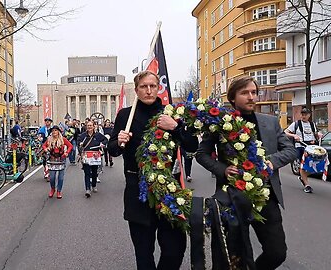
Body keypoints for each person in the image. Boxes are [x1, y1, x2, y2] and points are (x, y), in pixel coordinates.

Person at [196, 76, 296, 270]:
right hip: (231, 197)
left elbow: (290, 150)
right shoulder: (219, 123)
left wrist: (271, 162)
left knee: (277, 252)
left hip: (265, 197)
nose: (251, 97)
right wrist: (222, 169)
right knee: (234, 255)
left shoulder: (270, 122)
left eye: (253, 92)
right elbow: (202, 154)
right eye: (245, 93)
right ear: (232, 98)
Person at [107, 71, 187, 270]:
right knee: (144, 254)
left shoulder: (172, 112)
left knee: (174, 250)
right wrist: (120, 141)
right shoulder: (126, 115)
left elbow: (193, 145)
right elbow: (112, 150)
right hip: (138, 192)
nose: (149, 90)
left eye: (153, 85)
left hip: (170, 191)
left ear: (158, 87)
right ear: (136, 90)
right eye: (144, 86)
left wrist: (175, 127)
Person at [284, 108, 322, 193]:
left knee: (316, 166)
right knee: (303, 166)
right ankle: (307, 185)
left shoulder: (312, 124)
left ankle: (302, 176)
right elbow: (285, 132)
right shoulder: (296, 124)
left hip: (311, 147)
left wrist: (318, 134)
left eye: (306, 114)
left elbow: (316, 133)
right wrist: (294, 136)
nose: (304, 116)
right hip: (300, 147)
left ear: (309, 115)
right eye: (302, 114)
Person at [78, 120, 107, 198]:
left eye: (91, 125)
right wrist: (80, 146)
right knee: (87, 173)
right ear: (86, 127)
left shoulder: (98, 135)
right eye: (88, 126)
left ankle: (93, 185)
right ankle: (87, 189)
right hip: (86, 156)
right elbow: (79, 142)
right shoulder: (83, 136)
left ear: (94, 126)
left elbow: (105, 140)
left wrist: (102, 144)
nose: (89, 127)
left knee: (94, 172)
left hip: (95, 156)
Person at [42, 125, 73, 199]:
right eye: (53, 131)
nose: (54, 132)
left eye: (55, 130)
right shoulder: (49, 139)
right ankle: (53, 189)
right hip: (52, 160)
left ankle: (59, 191)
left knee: (61, 178)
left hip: (61, 159)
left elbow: (70, 146)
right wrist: (46, 149)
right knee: (52, 177)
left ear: (58, 131)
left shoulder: (63, 139)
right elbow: (43, 145)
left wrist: (67, 153)